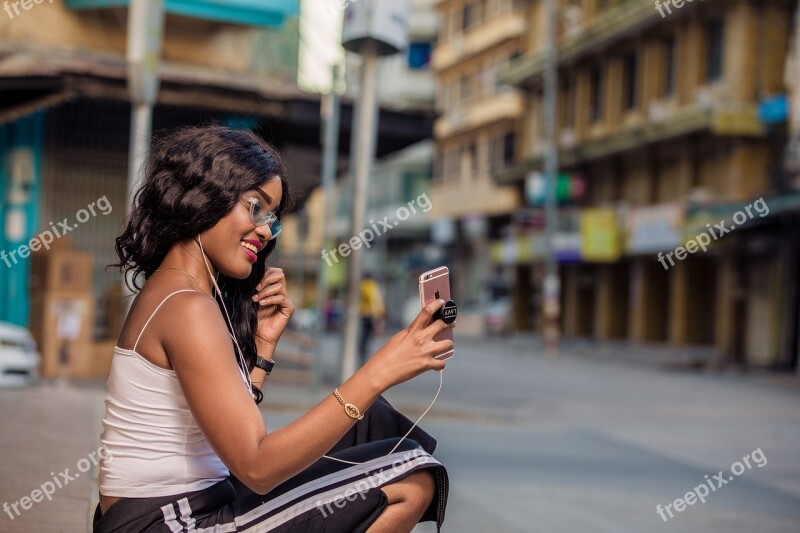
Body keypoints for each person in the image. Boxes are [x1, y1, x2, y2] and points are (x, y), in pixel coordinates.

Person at [94, 126, 452, 532]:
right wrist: (379, 371)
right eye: (255, 208)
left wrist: (262, 349)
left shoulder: (180, 292)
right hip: (167, 522)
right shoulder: (187, 307)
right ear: (204, 195)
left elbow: (220, 436)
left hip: (187, 505)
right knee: (412, 476)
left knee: (377, 427)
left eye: (272, 219)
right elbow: (256, 466)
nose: (265, 231)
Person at [359, 271, 385, 365]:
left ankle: (365, 358)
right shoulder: (373, 286)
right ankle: (373, 359)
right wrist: (378, 314)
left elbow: (373, 300)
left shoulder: (364, 286)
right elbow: (377, 301)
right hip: (373, 315)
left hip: (366, 315)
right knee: (374, 338)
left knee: (365, 339)